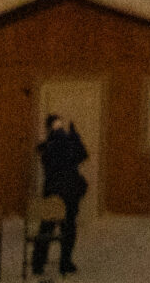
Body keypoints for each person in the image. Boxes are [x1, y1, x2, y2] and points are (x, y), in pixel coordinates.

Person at [32, 113, 90, 276]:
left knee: (46, 228)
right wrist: (74, 137)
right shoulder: (67, 144)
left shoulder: (47, 146)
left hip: (52, 192)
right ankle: (65, 262)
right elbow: (82, 155)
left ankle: (38, 263)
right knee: (68, 229)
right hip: (69, 191)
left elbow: (46, 158)